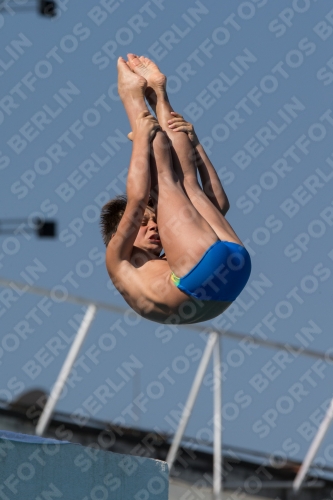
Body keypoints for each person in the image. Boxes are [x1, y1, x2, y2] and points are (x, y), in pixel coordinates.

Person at [100, 54, 251, 325]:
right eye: (144, 224)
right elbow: (137, 199)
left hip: (228, 271)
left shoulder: (167, 260)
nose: (154, 227)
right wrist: (141, 141)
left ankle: (158, 92)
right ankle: (132, 97)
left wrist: (197, 145)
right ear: (120, 233)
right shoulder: (117, 259)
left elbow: (218, 203)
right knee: (169, 180)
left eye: (152, 221)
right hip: (203, 274)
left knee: (189, 188)